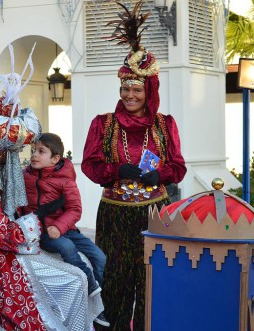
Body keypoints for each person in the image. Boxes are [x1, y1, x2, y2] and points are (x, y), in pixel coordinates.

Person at [0, 44, 103, 331]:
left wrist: (40, 217)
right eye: (20, 149)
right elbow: (2, 233)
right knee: (74, 280)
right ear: (4, 149)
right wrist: (37, 218)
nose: (24, 155)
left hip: (14, 248)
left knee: (80, 272)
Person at [81, 2, 187, 330]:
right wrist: (115, 171)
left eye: (136, 89)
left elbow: (178, 166)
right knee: (114, 280)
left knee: (152, 278)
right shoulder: (104, 123)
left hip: (154, 214)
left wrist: (162, 175)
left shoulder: (165, 124)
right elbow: (89, 164)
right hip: (114, 214)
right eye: (125, 88)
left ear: (149, 90)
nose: (129, 94)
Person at [22, 132, 109, 327]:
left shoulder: (65, 179)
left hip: (65, 227)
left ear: (55, 159)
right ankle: (89, 283)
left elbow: (75, 209)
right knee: (67, 247)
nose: (34, 155)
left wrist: (59, 227)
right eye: (33, 150)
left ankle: (100, 304)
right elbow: (21, 205)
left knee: (99, 256)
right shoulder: (26, 176)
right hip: (43, 230)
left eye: (41, 152)